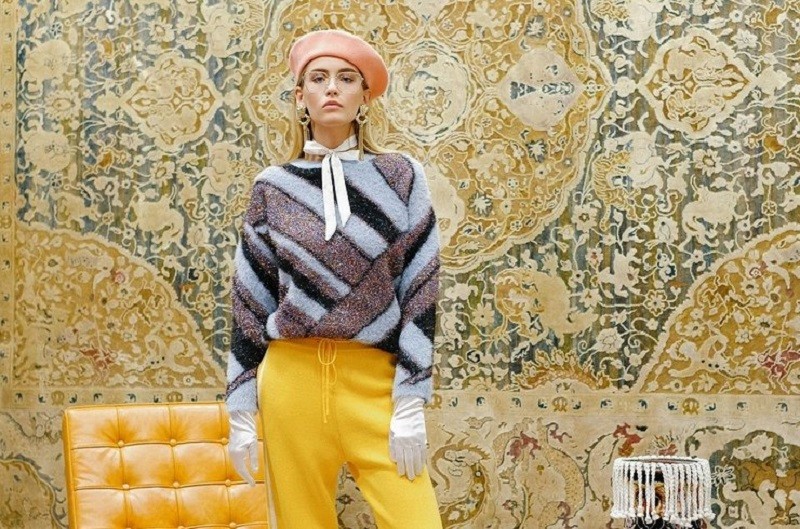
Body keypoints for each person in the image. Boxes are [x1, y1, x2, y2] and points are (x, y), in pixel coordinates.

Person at [224, 28, 443, 529]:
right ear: (299, 95)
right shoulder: (273, 186)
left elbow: (422, 290)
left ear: (364, 96)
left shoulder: (401, 176)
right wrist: (240, 408)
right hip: (291, 383)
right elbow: (250, 300)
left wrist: (411, 397)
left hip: (374, 381)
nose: (331, 88)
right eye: (318, 78)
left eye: (346, 78)